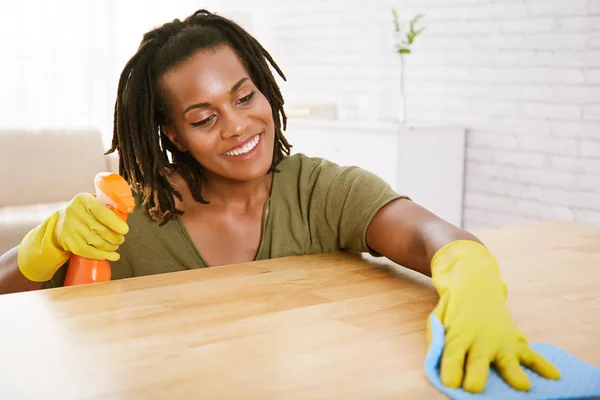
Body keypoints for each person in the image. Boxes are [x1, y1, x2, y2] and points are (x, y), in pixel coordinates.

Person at [0, 8, 559, 393]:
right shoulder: (132, 217)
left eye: (245, 96)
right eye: (203, 117)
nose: (239, 126)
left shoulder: (317, 191)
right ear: (172, 135)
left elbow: (427, 235)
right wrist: (44, 245)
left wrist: (474, 286)